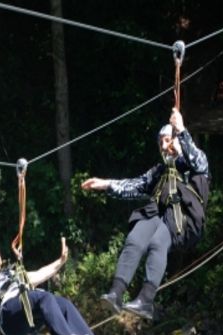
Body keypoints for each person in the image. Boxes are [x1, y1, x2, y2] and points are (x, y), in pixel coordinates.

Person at [80, 108, 210, 321]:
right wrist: (105, 184)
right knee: (136, 237)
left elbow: (198, 161)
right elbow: (135, 185)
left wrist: (182, 133)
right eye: (161, 143)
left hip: (184, 221)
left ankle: (146, 300)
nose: (164, 146)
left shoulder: (193, 166)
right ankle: (116, 292)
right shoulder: (158, 172)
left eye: (168, 140)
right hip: (160, 217)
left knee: (158, 242)